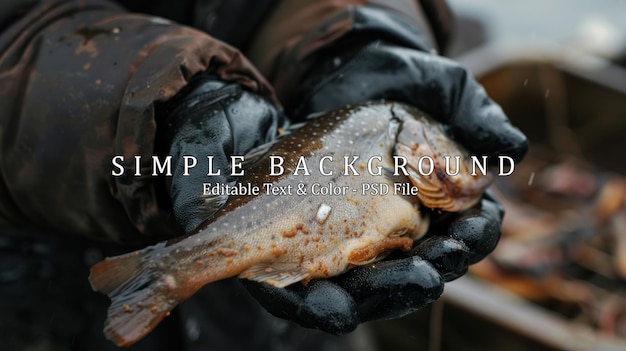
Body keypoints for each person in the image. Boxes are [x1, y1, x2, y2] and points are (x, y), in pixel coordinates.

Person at [0, 0, 528, 350]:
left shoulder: (395, 127)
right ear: (422, 151)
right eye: (454, 154)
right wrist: (157, 115)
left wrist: (349, 30)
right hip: (42, 290)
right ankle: (174, 268)